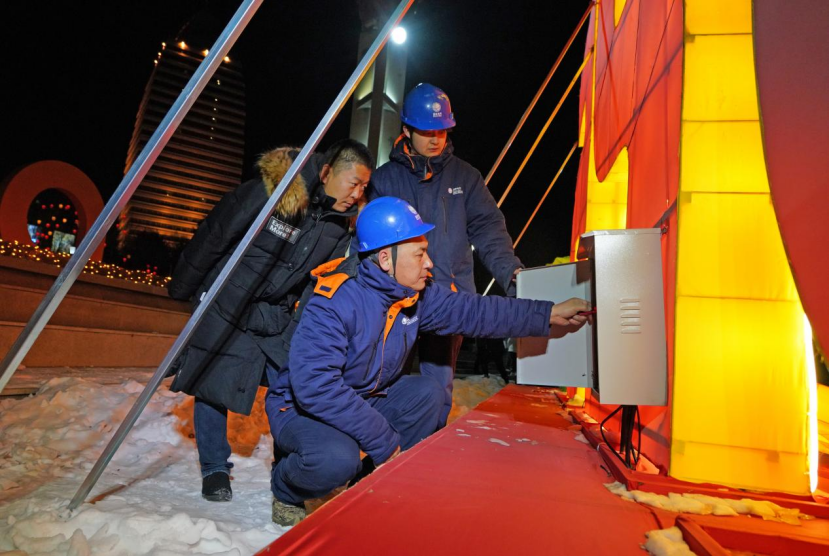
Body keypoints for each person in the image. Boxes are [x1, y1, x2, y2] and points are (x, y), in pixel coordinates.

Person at [265, 197, 591, 525]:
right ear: (385, 259)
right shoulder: (335, 301)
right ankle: (286, 486)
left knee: (428, 394)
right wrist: (384, 442)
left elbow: (476, 312)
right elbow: (316, 386)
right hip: (303, 406)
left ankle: (368, 484)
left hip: (362, 395)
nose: (430, 263)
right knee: (335, 459)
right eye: (419, 254)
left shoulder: (416, 295)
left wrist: (547, 314)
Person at [167, 139, 373, 502]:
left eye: (363, 188)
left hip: (274, 312)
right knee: (212, 382)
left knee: (292, 386)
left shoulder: (338, 226)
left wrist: (299, 330)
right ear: (327, 173)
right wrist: (184, 285)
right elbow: (219, 230)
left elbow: (315, 282)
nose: (358, 194)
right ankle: (214, 467)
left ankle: (289, 465)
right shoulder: (276, 190)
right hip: (230, 299)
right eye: (354, 183)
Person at [367, 83, 525, 426]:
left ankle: (425, 450)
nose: (435, 139)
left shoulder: (466, 178)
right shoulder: (384, 179)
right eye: (426, 131)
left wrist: (511, 273)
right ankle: (386, 448)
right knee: (385, 383)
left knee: (439, 390)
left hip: (448, 299)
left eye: (441, 130)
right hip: (397, 301)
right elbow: (369, 242)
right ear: (406, 130)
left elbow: (489, 230)